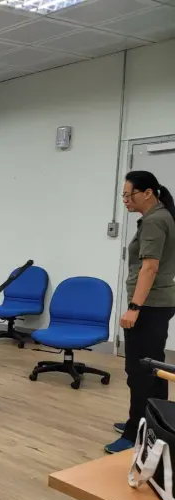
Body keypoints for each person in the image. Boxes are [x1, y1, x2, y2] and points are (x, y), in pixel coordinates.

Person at [106, 171, 175, 454]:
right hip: (157, 303)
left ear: (148, 193)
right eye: (123, 195)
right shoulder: (159, 217)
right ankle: (153, 421)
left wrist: (134, 307)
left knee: (139, 370)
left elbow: (150, 267)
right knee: (153, 368)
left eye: (128, 194)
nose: (124, 200)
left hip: (148, 305)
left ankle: (136, 431)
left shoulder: (156, 220)